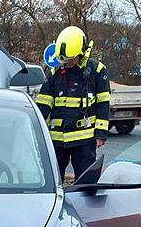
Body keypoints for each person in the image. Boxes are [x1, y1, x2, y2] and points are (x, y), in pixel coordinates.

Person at [36, 26, 110, 182]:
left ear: (80, 53)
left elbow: (103, 103)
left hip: (84, 140)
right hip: (57, 140)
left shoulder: (96, 71)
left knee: (86, 183)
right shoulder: (55, 73)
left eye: (69, 59)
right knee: (52, 180)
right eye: (63, 60)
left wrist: (101, 134)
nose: (66, 63)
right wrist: (35, 132)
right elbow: (43, 104)